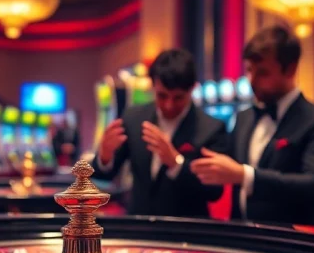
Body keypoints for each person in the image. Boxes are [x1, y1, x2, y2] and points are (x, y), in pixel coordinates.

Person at [190, 26, 314, 226]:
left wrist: (245, 175)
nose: (252, 81)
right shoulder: (243, 117)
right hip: (245, 241)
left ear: (290, 69)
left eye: (262, 72)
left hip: (293, 243)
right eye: (249, 70)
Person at [92, 49, 227, 217]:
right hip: (139, 226)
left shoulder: (212, 128)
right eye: (162, 96)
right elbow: (103, 176)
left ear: (192, 89)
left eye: (178, 98)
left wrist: (176, 163)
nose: (169, 105)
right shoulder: (134, 117)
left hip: (187, 232)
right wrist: (105, 156)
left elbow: (214, 192)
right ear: (153, 85)